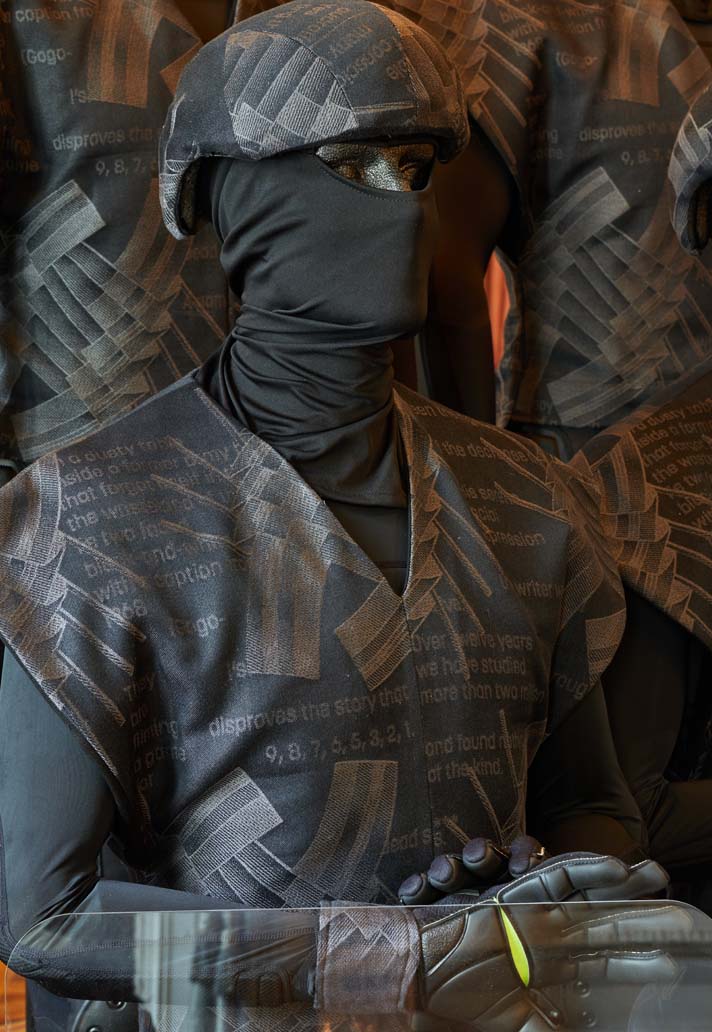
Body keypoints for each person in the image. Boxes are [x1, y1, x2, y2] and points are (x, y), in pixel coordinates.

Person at [0, 2, 695, 1027]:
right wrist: (377, 955)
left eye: (416, 169)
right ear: (233, 193)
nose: (402, 207)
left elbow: (589, 805)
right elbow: (43, 919)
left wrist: (547, 903)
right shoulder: (85, 521)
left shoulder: (529, 504)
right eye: (351, 165)